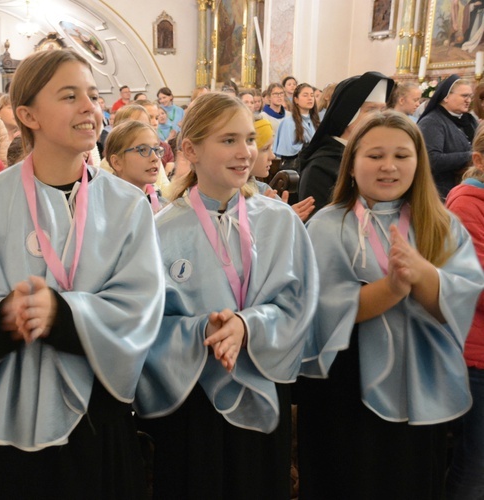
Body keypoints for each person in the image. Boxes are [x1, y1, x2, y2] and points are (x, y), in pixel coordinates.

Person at [0, 48, 164, 498]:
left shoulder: (128, 205)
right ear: (27, 115)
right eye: (69, 96)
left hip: (95, 416)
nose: (89, 108)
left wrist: (64, 314)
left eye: (94, 96)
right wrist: (3, 314)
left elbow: (143, 305)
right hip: (3, 412)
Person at [134, 92, 318, 499]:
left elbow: (299, 304)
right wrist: (204, 330)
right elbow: (145, 321)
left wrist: (247, 325)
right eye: (228, 140)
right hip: (193, 398)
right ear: (190, 149)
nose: (245, 153)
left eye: (250, 139)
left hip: (261, 383)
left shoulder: (279, 222)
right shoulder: (159, 231)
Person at [298, 110, 484, 499]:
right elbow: (322, 310)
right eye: (375, 155)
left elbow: (462, 298)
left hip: (419, 376)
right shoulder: (329, 224)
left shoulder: (440, 223)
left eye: (402, 156)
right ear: (351, 166)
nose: (389, 167)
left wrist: (425, 276)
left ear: (419, 163)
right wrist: (395, 287)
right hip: (345, 381)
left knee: (410, 479)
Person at [444, 126, 484, 500]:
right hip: (476, 353)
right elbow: (473, 283)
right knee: (475, 466)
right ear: (478, 160)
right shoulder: (466, 204)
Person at [298, 71, 393, 215]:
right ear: (348, 115)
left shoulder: (377, 158)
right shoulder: (320, 167)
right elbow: (319, 224)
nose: (380, 118)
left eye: (382, 110)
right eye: (371, 110)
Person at [418, 74, 478, 199]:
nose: (468, 100)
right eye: (464, 96)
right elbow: (431, 160)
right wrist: (471, 156)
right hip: (441, 193)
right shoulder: (432, 122)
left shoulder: (469, 120)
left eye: (470, 96)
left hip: (468, 189)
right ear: (446, 97)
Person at [105, 120, 166, 213]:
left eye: (156, 149)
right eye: (142, 150)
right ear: (117, 162)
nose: (155, 157)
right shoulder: (105, 209)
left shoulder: (163, 206)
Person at [274, 83, 320, 170]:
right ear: (296, 100)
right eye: (305, 95)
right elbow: (288, 151)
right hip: (297, 167)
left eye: (312, 95)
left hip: (314, 166)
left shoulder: (316, 122)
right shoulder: (288, 123)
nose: (310, 98)